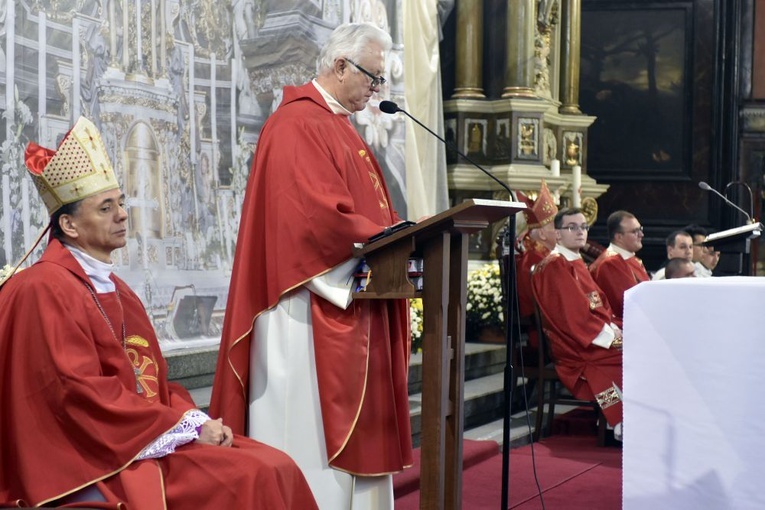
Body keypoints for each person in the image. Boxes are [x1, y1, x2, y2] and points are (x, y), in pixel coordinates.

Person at [0, 117, 318, 509]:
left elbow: (154, 381)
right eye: (105, 207)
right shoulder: (43, 288)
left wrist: (194, 420)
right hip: (92, 456)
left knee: (277, 464)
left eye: (121, 203)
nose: (122, 215)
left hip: (140, 435)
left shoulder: (118, 290)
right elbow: (77, 393)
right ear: (68, 224)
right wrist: (178, 429)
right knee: (254, 475)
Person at [209, 23, 412, 509]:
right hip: (307, 308)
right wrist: (384, 239)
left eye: (380, 80)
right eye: (372, 76)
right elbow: (309, 222)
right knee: (309, 440)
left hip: (349, 300)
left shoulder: (337, 125)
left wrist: (395, 235)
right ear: (340, 66)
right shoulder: (298, 123)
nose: (376, 89)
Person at [531, 208, 623, 433]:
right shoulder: (555, 265)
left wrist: (614, 328)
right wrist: (611, 336)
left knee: (640, 346)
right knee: (629, 354)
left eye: (583, 227)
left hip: (589, 335)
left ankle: (623, 418)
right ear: (558, 234)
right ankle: (619, 421)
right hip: (575, 344)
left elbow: (600, 304)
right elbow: (571, 315)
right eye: (572, 227)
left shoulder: (575, 261)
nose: (580, 232)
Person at [515, 180, 558, 348]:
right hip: (544, 333)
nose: (561, 231)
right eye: (556, 226)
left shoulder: (545, 254)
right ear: (542, 234)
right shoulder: (535, 260)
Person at [589, 210, 650, 321]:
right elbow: (624, 305)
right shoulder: (609, 263)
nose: (641, 235)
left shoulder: (630, 259)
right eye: (635, 231)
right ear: (619, 237)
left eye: (640, 229)